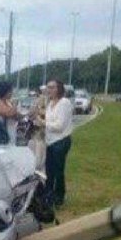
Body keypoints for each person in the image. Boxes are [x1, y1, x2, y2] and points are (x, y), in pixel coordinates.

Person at [43, 79, 74, 207]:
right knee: (49, 170)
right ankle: (48, 195)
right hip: (50, 142)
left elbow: (59, 126)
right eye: (48, 87)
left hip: (61, 141)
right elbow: (48, 120)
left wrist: (43, 123)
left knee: (58, 171)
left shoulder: (64, 103)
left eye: (52, 87)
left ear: (59, 89)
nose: (49, 90)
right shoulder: (50, 103)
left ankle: (58, 197)